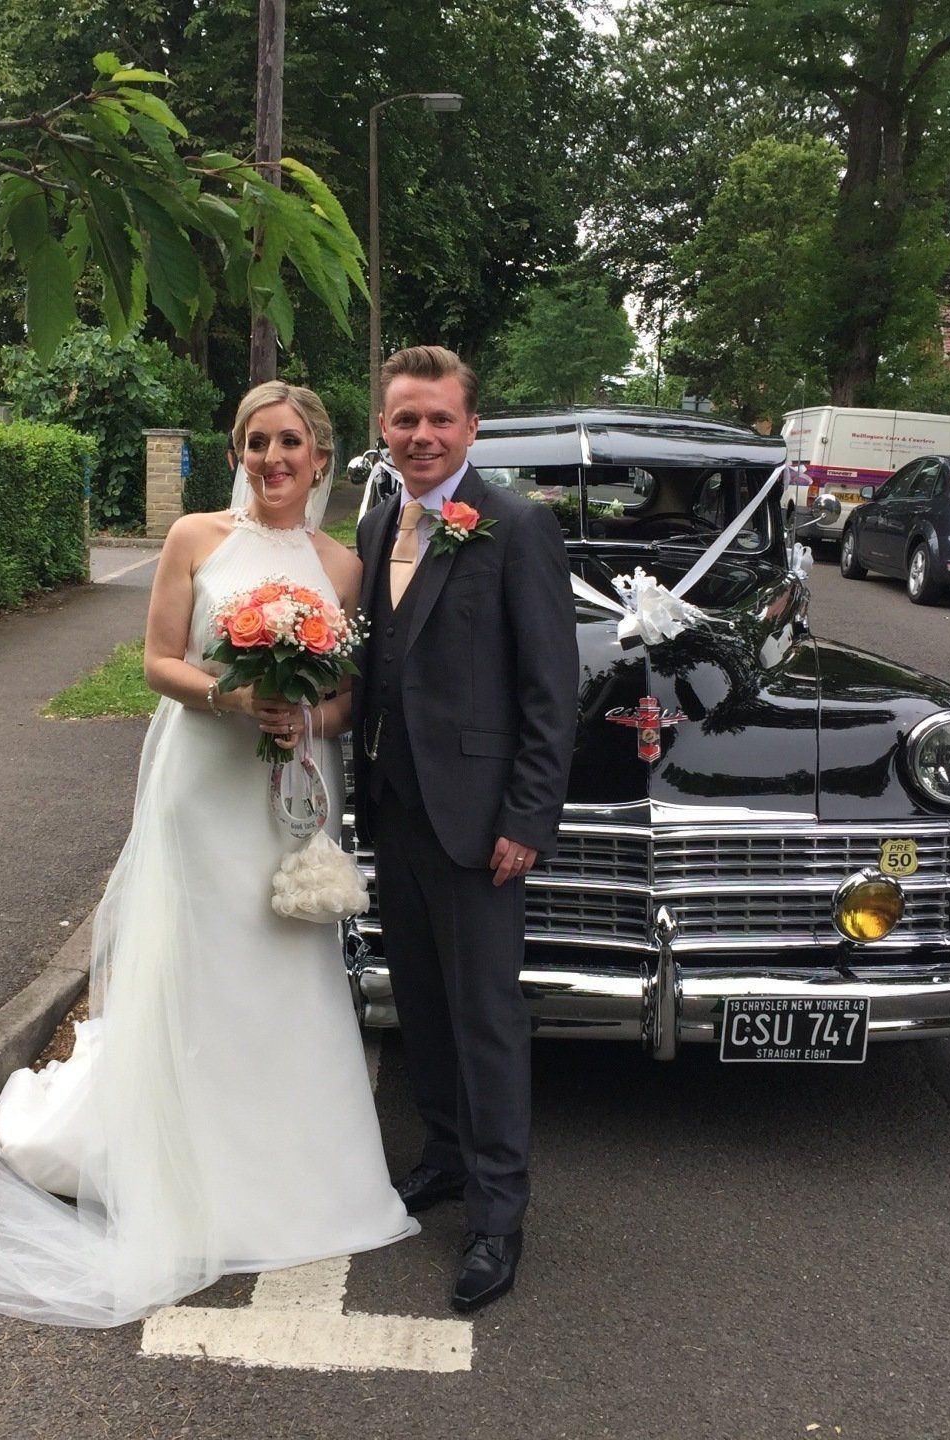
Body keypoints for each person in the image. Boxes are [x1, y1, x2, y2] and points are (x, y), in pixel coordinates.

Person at [0, 382, 416, 1327]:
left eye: (290, 442)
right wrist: (234, 697)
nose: (273, 458)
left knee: (284, 965)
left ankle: (291, 1170)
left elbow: (349, 698)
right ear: (237, 453)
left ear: (321, 456)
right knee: (199, 962)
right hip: (201, 785)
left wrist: (306, 716)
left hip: (285, 791)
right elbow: (159, 662)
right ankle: (177, 1158)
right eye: (257, 442)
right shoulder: (195, 540)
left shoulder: (342, 565)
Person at [352, 344, 577, 1312]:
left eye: (439, 419)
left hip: (481, 819)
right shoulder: (372, 524)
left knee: (486, 1020)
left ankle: (497, 1216)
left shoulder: (517, 525)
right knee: (423, 1006)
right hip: (394, 808)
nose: (422, 436)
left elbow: (549, 687)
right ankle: (442, 1157)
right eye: (405, 419)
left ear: (472, 428)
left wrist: (528, 815)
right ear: (384, 429)